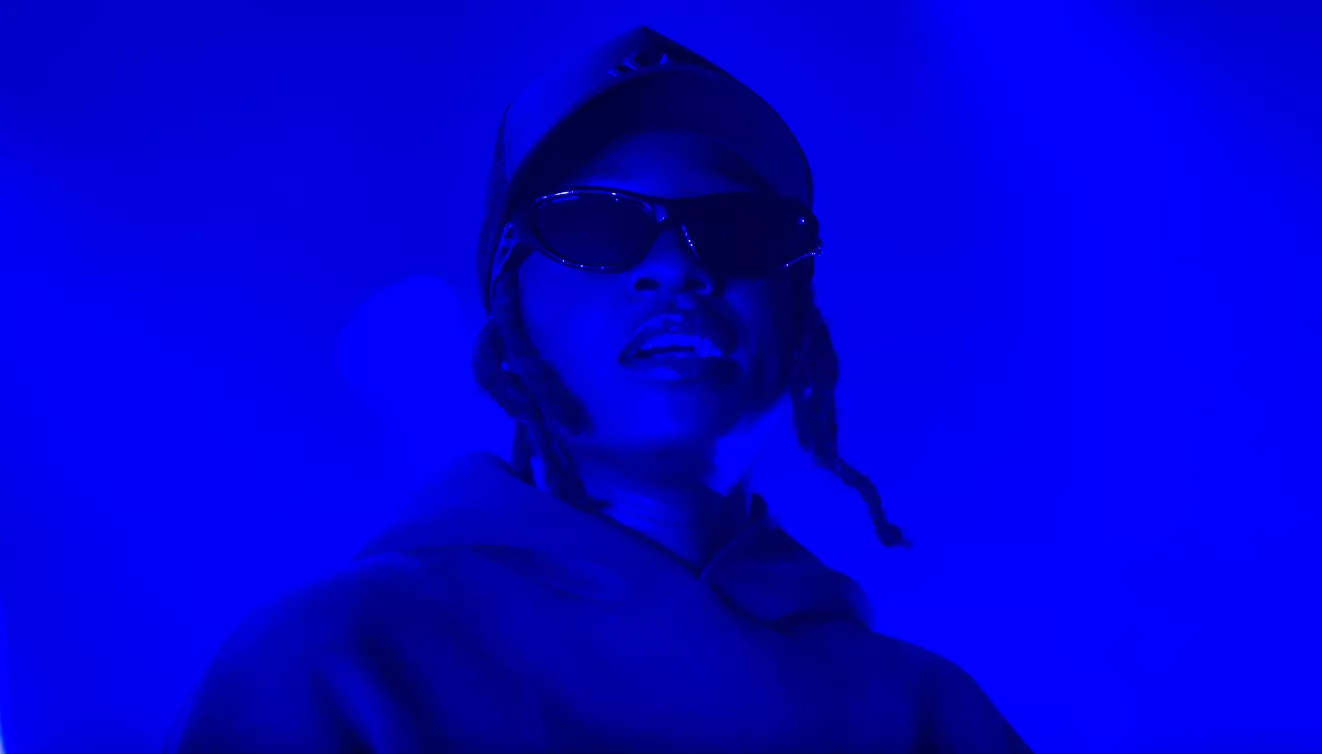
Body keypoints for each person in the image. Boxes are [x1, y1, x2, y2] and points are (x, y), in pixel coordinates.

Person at [170, 26, 1032, 752]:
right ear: (509, 307)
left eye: (739, 229)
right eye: (595, 224)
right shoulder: (338, 663)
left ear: (801, 315)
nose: (676, 268)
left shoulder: (928, 714)